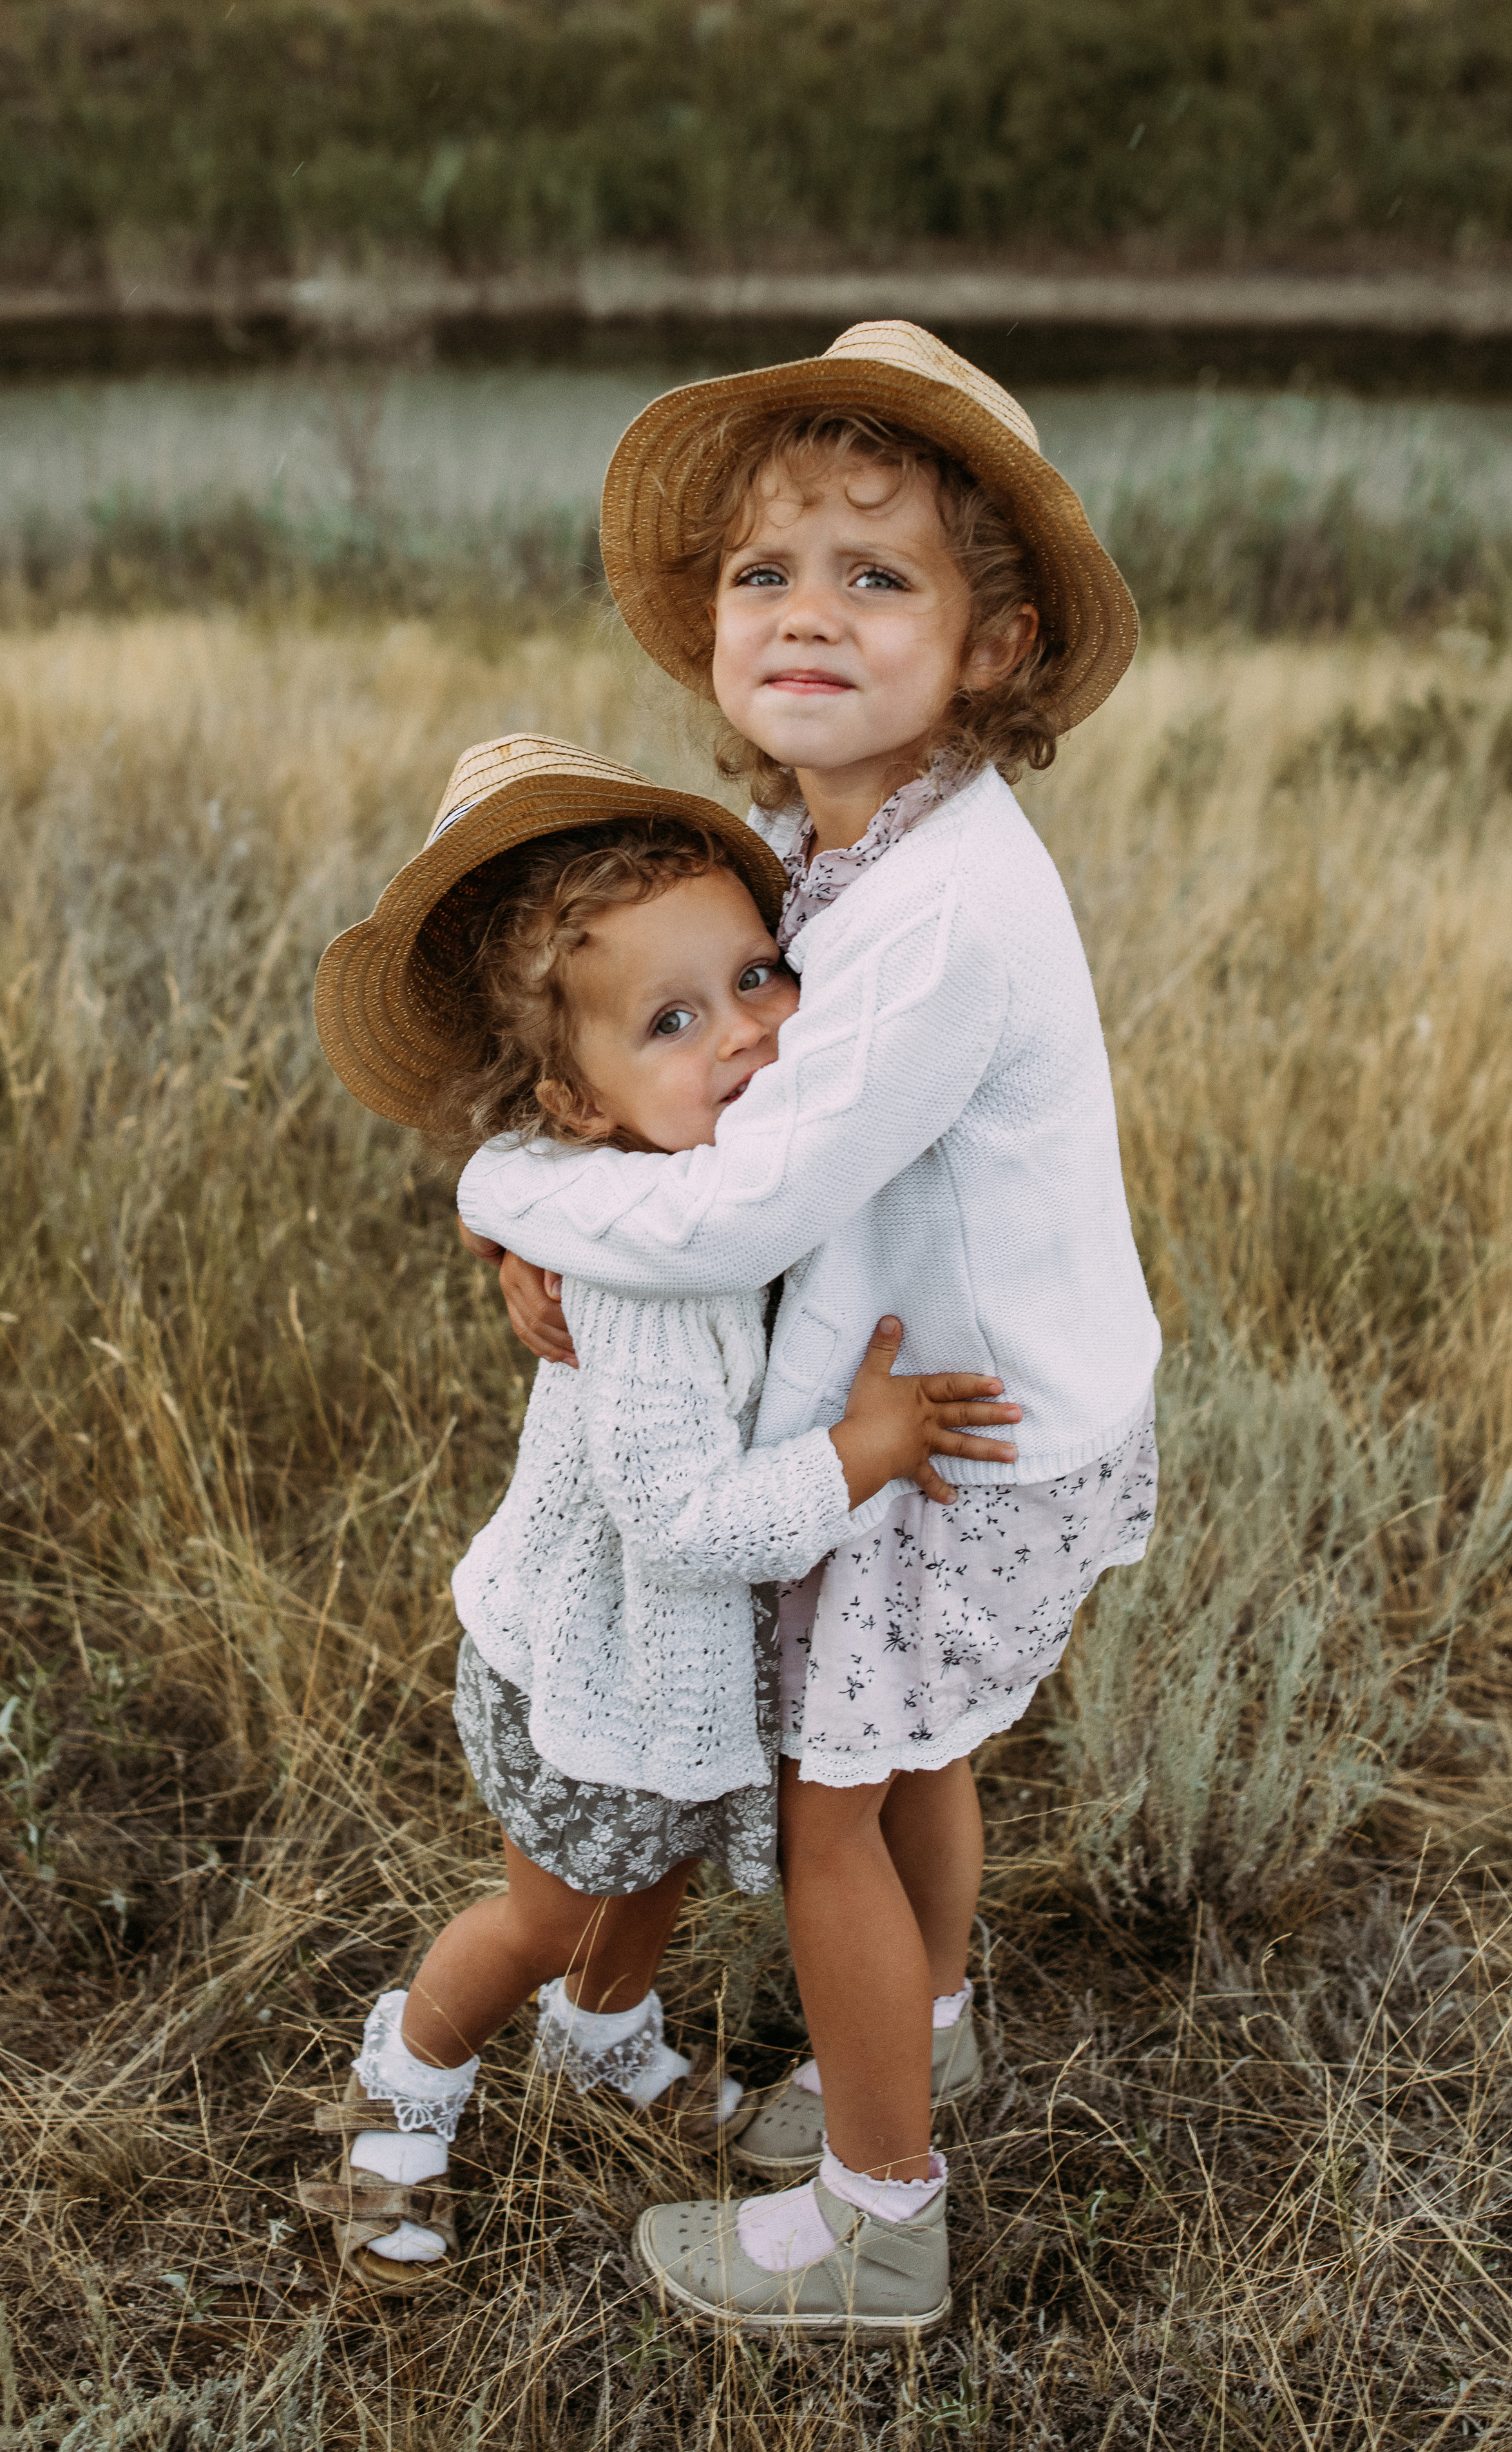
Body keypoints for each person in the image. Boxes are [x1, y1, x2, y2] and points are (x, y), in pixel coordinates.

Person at [457, 325, 1162, 2337]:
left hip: (946, 1431)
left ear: (996, 643)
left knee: (822, 1803)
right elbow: (763, 1141)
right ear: (708, 625)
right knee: (909, 1750)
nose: (809, 615)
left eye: (881, 577)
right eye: (768, 573)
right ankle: (922, 2034)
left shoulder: (937, 904)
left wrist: (510, 1193)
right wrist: (595, 1242)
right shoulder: (851, 856)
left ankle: (878, 2215)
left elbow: (757, 1198)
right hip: (979, 1404)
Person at [302, 733, 1019, 2297]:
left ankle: (606, 2027)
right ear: (575, 1100)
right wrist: (865, 1449)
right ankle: (403, 2082)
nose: (751, 1036)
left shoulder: (727, 1173)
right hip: (584, 1668)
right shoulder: (635, 1280)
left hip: (676, 1676)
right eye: (675, 1020)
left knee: (658, 1867)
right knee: (542, 1906)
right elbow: (684, 1522)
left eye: (760, 976)